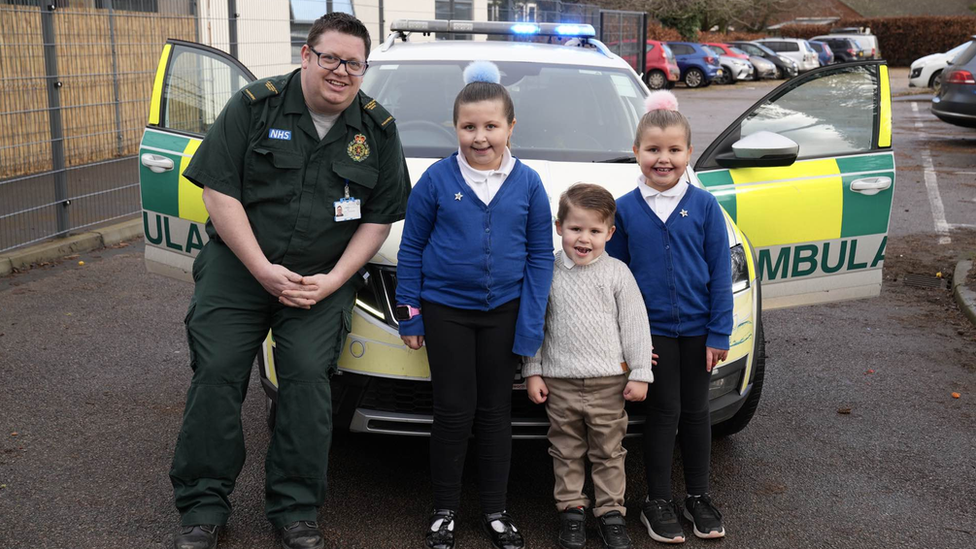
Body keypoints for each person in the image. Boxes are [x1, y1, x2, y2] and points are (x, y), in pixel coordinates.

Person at [169, 12, 410, 549]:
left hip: (320, 280)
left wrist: (333, 282)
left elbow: (379, 217)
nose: (341, 72)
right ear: (307, 55)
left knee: (305, 381)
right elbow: (218, 191)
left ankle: (295, 510)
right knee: (217, 372)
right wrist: (260, 268)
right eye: (331, 58)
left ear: (364, 68)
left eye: (354, 63)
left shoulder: (378, 129)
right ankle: (203, 507)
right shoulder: (255, 106)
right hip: (240, 267)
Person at [395, 60, 553, 549]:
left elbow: (541, 258)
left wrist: (529, 329)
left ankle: (495, 511)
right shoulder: (436, 181)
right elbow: (411, 248)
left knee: (494, 415)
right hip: (446, 312)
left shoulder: (528, 183)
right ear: (455, 127)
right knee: (452, 412)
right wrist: (411, 312)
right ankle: (444, 510)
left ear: (510, 127)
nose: (479, 137)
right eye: (468, 126)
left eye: (490, 126)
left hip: (504, 315)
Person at [605, 90, 732, 544]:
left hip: (700, 333)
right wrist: (627, 340)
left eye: (674, 150)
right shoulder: (623, 209)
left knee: (697, 414)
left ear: (688, 153)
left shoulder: (704, 206)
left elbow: (720, 273)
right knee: (662, 414)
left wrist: (719, 331)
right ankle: (656, 500)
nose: (664, 159)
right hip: (651, 335)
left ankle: (697, 496)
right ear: (636, 151)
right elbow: (614, 279)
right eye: (654, 150)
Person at [523, 183, 655, 549]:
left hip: (608, 383)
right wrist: (532, 369)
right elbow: (535, 325)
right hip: (560, 381)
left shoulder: (617, 274)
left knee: (609, 450)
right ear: (558, 227)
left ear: (609, 233)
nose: (584, 239)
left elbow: (634, 325)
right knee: (565, 449)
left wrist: (641, 372)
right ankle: (572, 510)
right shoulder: (546, 272)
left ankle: (611, 513)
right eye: (575, 229)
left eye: (595, 231)